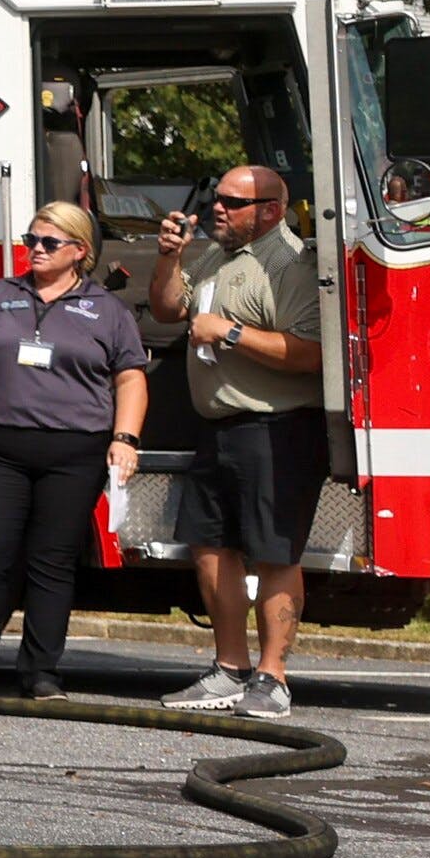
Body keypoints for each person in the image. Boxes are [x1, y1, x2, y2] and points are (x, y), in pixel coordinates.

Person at [0, 198, 149, 700]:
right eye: (31, 241)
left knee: (51, 563)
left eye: (49, 242)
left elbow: (130, 379)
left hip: (75, 453)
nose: (36, 250)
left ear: (79, 251)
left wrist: (124, 439)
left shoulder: (107, 310)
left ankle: (41, 671)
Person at [155, 163, 321, 719]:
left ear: (271, 210)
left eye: (232, 201)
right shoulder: (214, 255)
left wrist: (228, 331)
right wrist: (168, 257)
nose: (217, 208)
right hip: (217, 426)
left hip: (275, 428)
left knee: (275, 553)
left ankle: (273, 680)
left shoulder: (291, 265)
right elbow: (167, 308)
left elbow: (311, 354)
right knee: (209, 548)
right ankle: (229, 669)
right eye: (214, 197)